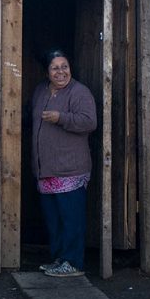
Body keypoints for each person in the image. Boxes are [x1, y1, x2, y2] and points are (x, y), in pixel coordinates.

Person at [31, 49, 97, 277]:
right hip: (46, 169)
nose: (61, 72)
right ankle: (60, 259)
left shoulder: (79, 92)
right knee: (54, 219)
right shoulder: (41, 91)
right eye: (55, 67)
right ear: (47, 72)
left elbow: (89, 122)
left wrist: (62, 118)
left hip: (70, 169)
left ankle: (74, 262)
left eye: (64, 66)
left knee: (71, 219)